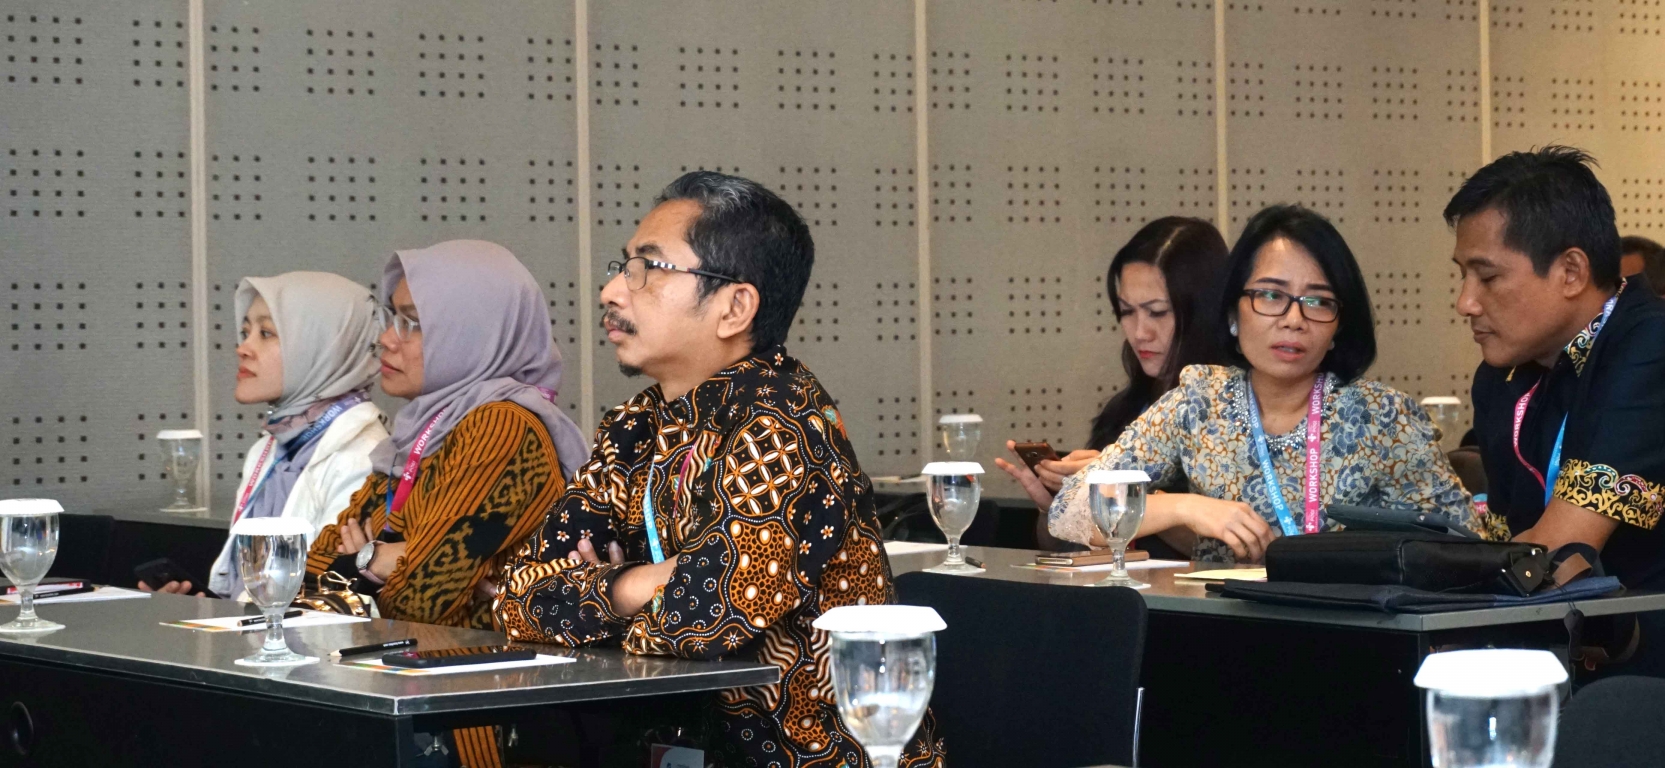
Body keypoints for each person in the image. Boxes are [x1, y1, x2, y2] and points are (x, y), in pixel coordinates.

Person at [492, 172, 945, 767]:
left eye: (647, 268)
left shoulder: (783, 425)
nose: (611, 291)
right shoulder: (636, 426)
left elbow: (700, 620)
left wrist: (600, 593)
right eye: (623, 265)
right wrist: (641, 583)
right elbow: (517, 600)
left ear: (734, 307)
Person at [1448, 146, 1665, 687]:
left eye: (1487, 277)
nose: (1465, 302)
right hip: (1586, 673)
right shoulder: (1506, 375)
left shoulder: (1661, 343)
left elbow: (1555, 552)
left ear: (1571, 271)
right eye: (1462, 276)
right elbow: (1510, 546)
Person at [1046, 205, 1481, 562]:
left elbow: (1467, 543)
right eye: (1271, 295)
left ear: (1338, 326)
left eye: (1318, 301)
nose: (1294, 319)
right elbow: (1070, 510)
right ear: (1232, 313)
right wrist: (1186, 507)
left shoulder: (1382, 416)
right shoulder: (1199, 403)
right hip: (1224, 627)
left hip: (1350, 627)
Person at [304, 240, 590, 631]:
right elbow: (311, 573)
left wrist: (366, 558)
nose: (387, 338)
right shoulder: (422, 430)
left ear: (472, 334)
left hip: (481, 667)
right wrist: (380, 562)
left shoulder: (501, 428)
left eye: (413, 323)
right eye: (393, 317)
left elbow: (420, 601)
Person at [139, 272, 389, 597]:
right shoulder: (268, 449)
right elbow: (246, 589)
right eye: (246, 332)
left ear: (323, 347)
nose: (243, 348)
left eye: (267, 333)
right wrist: (199, 606)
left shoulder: (364, 457)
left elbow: (320, 597)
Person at [994, 217, 1232, 553]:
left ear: (1203, 311)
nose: (1140, 332)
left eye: (1157, 312)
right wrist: (1057, 508)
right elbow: (1068, 549)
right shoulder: (1125, 410)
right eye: (1126, 311)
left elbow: (1229, 549)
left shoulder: (1230, 410)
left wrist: (1126, 492)